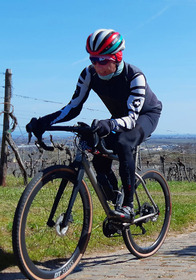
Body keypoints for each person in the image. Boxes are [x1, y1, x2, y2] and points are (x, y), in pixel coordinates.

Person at [26, 29, 162, 221]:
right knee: (97, 153)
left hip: (145, 115)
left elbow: (131, 119)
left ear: (117, 57)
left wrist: (110, 123)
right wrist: (44, 122)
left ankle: (128, 206)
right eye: (93, 59)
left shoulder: (135, 76)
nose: (97, 65)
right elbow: (73, 107)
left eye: (103, 60)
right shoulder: (89, 74)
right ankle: (116, 199)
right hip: (118, 116)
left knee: (124, 142)